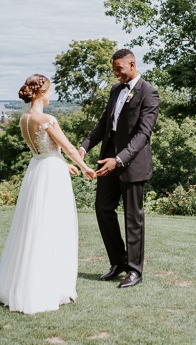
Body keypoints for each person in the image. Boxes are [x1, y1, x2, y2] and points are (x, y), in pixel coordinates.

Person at [0, 74, 96, 314]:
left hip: (38, 169)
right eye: (48, 90)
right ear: (40, 93)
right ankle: (48, 287)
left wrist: (62, 163)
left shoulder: (24, 119)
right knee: (53, 225)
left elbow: (43, 149)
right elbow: (68, 147)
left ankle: (27, 283)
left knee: (34, 225)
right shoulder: (46, 118)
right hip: (51, 175)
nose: (50, 94)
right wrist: (83, 167)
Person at [79, 49, 159, 289]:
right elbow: (105, 122)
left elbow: (143, 134)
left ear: (132, 64)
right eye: (114, 69)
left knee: (133, 218)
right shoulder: (115, 90)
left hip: (131, 164)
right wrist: (85, 146)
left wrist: (119, 159)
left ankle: (135, 271)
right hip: (107, 160)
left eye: (119, 69)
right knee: (103, 208)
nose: (115, 74)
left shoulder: (149, 92)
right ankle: (118, 262)